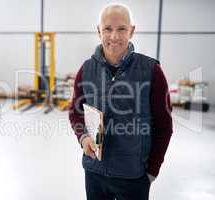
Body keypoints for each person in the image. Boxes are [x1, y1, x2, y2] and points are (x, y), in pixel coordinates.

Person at [69, 3, 173, 200]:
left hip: (134, 176)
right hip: (94, 173)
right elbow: (75, 112)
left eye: (121, 29)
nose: (114, 36)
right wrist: (83, 138)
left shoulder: (151, 71)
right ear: (98, 30)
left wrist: (151, 171)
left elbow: (164, 125)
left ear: (132, 31)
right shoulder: (86, 69)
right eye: (107, 28)